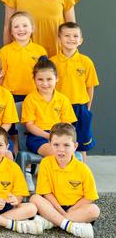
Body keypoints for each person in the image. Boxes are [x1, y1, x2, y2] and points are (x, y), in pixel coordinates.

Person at [30, 123, 100, 238]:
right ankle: (70, 225)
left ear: (75, 146)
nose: (61, 150)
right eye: (56, 145)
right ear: (49, 145)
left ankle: (51, 222)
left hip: (76, 208)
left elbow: (89, 197)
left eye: (66, 145)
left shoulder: (83, 169)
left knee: (94, 210)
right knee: (34, 199)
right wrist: (59, 210)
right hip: (53, 206)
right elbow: (46, 193)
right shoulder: (46, 163)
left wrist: (69, 211)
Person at [0, 11, 47, 151]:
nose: (21, 29)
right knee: (12, 132)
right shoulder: (5, 51)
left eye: (25, 25)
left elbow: (44, 74)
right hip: (10, 98)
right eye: (16, 26)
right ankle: (13, 160)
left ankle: (28, 165)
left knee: (30, 131)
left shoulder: (40, 51)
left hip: (33, 98)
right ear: (11, 31)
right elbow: (0, 78)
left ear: (32, 28)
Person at [50, 22, 99, 161]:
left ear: (81, 40)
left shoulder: (86, 62)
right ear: (59, 40)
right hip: (59, 108)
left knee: (81, 143)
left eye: (75, 36)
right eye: (67, 35)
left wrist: (87, 109)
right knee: (60, 141)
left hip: (80, 108)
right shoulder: (53, 62)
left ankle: (82, 171)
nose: (71, 39)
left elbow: (90, 86)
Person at [22, 58, 76, 158]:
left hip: (60, 136)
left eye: (49, 79)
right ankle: (49, 173)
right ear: (34, 79)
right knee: (54, 152)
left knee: (68, 152)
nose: (45, 83)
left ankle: (64, 173)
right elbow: (29, 125)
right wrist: (48, 136)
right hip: (37, 137)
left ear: (57, 78)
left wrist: (58, 137)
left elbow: (67, 125)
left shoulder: (63, 99)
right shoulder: (30, 99)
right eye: (40, 79)